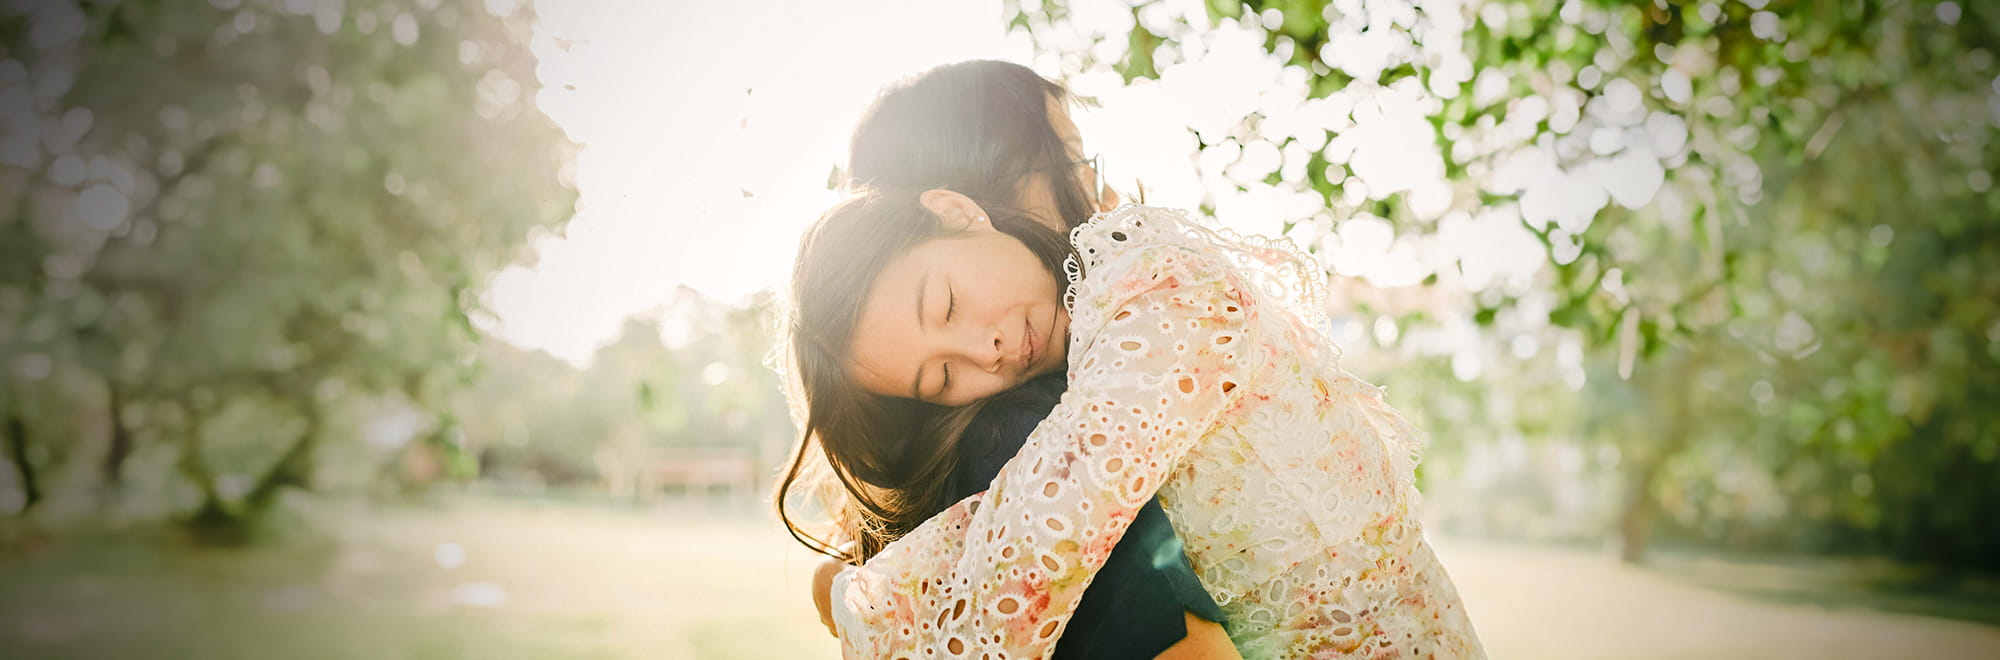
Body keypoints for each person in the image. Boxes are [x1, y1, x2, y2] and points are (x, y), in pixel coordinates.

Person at [785, 186, 1486, 658]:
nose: (983, 351)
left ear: (957, 210)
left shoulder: (1152, 286)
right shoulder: (1079, 361)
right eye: (941, 378)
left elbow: (1045, 531)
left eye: (944, 306)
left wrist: (859, 603)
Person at [774, 60, 1237, 658]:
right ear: (965, 203)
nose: (1110, 194)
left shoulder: (1087, 371)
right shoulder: (1041, 448)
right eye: (1074, 162)